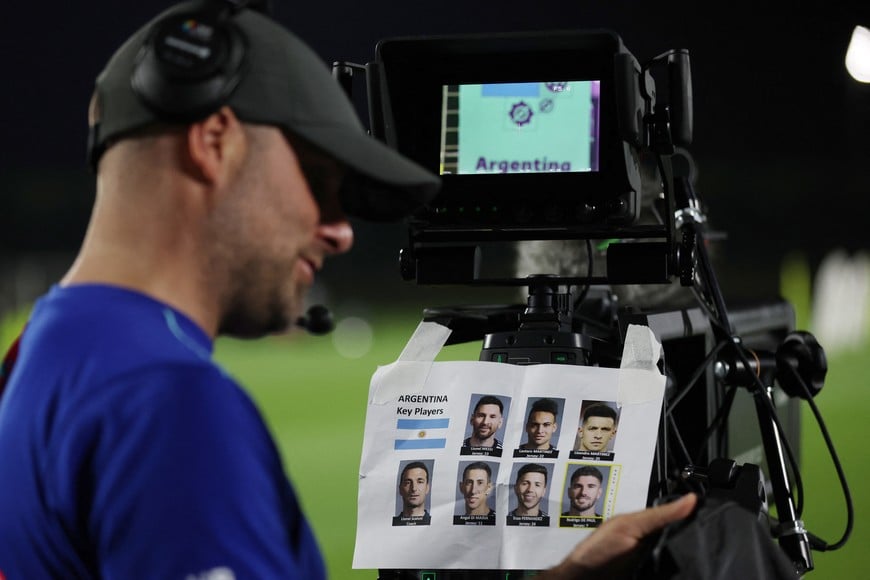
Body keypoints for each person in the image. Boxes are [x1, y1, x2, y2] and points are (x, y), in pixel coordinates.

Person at [0, 1, 699, 577]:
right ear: (214, 142)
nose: (338, 232)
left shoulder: (45, 351)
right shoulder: (167, 402)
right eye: (317, 180)